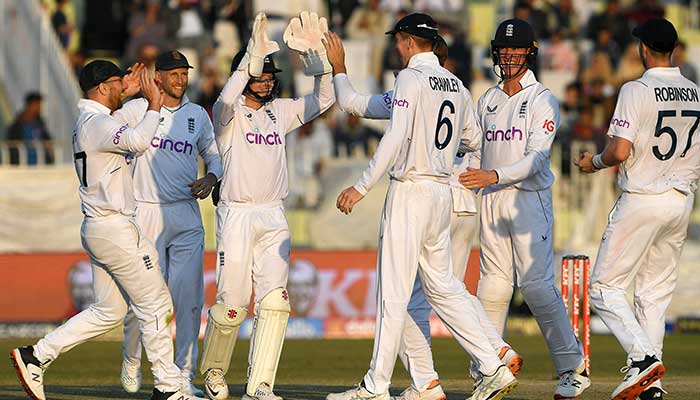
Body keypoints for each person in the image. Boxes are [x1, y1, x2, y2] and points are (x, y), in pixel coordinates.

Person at [323, 29, 523, 400]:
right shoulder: (457, 87)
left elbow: (395, 136)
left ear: (409, 41)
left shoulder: (410, 80)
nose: (395, 47)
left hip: (411, 191)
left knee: (393, 294)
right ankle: (494, 362)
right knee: (444, 286)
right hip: (441, 194)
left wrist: (362, 186)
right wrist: (339, 68)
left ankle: (376, 385)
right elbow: (475, 142)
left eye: (397, 41)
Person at [9, 60, 205, 400]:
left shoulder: (91, 120)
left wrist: (127, 92)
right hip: (115, 227)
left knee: (109, 311)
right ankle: (169, 388)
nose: (123, 87)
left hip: (100, 227)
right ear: (102, 88)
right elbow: (140, 140)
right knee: (157, 304)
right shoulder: (97, 123)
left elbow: (117, 123)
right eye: (117, 83)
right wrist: (154, 103)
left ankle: (36, 356)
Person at [199, 12, 334, 400]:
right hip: (237, 213)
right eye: (262, 73)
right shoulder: (228, 117)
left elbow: (325, 99)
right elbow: (224, 98)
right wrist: (248, 63)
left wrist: (316, 64)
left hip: (273, 214)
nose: (268, 80)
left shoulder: (280, 112)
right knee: (232, 305)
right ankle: (214, 371)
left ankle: (260, 386)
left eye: (270, 74)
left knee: (275, 303)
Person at [459, 19, 590, 399]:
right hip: (493, 199)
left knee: (536, 287)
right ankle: (488, 370)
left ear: (530, 52)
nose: (510, 55)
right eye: (504, 49)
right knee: (492, 287)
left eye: (516, 49)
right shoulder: (488, 99)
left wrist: (492, 174)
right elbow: (475, 152)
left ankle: (573, 370)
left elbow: (535, 160)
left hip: (528, 199)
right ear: (497, 52)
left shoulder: (542, 99)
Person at [575, 18, 696, 400]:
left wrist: (593, 162)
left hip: (643, 197)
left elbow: (619, 151)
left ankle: (643, 360)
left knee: (603, 289)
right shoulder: (695, 92)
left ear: (644, 49)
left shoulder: (636, 88)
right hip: (681, 199)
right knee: (653, 295)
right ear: (674, 50)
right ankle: (652, 385)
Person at [114, 50, 222, 397]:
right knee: (143, 299)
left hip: (186, 212)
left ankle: (183, 376)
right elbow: (102, 128)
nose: (180, 79)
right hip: (146, 212)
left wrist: (213, 176)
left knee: (189, 299)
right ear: (157, 77)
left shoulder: (196, 116)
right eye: (173, 74)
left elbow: (213, 153)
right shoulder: (137, 110)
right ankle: (131, 359)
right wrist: (126, 93)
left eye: (183, 73)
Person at [6, 92, 52, 165]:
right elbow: (12, 146)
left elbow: (47, 141)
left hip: (41, 165)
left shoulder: (40, 123)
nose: (39, 108)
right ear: (29, 105)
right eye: (37, 105)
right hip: (22, 165)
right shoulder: (17, 126)